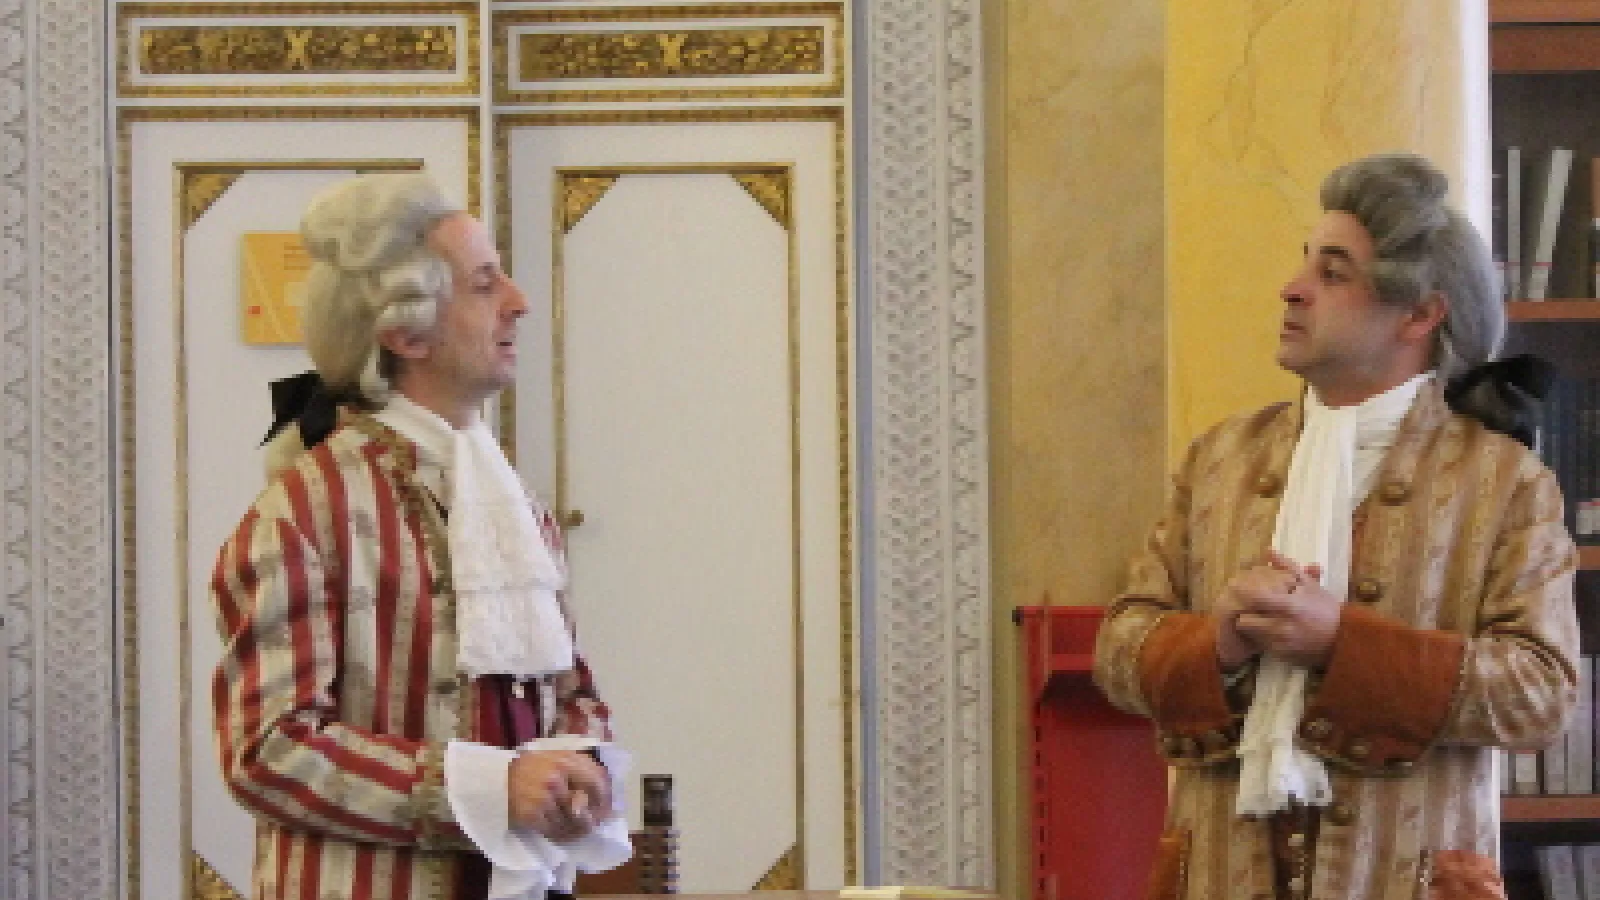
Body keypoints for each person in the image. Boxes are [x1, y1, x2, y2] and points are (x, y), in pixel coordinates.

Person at [1092, 153, 1578, 900]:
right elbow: (1118, 652)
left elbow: (1540, 694)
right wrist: (1216, 641)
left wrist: (1342, 644)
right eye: (1304, 264)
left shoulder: (1505, 483)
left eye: (1333, 272)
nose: (1292, 289)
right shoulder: (1219, 460)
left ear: (1419, 315)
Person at [210, 173, 626, 900]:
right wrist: (491, 787)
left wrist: (579, 763)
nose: (520, 301)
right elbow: (267, 748)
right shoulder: (306, 510)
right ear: (406, 334)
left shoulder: (513, 502)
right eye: (485, 284)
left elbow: (570, 686)